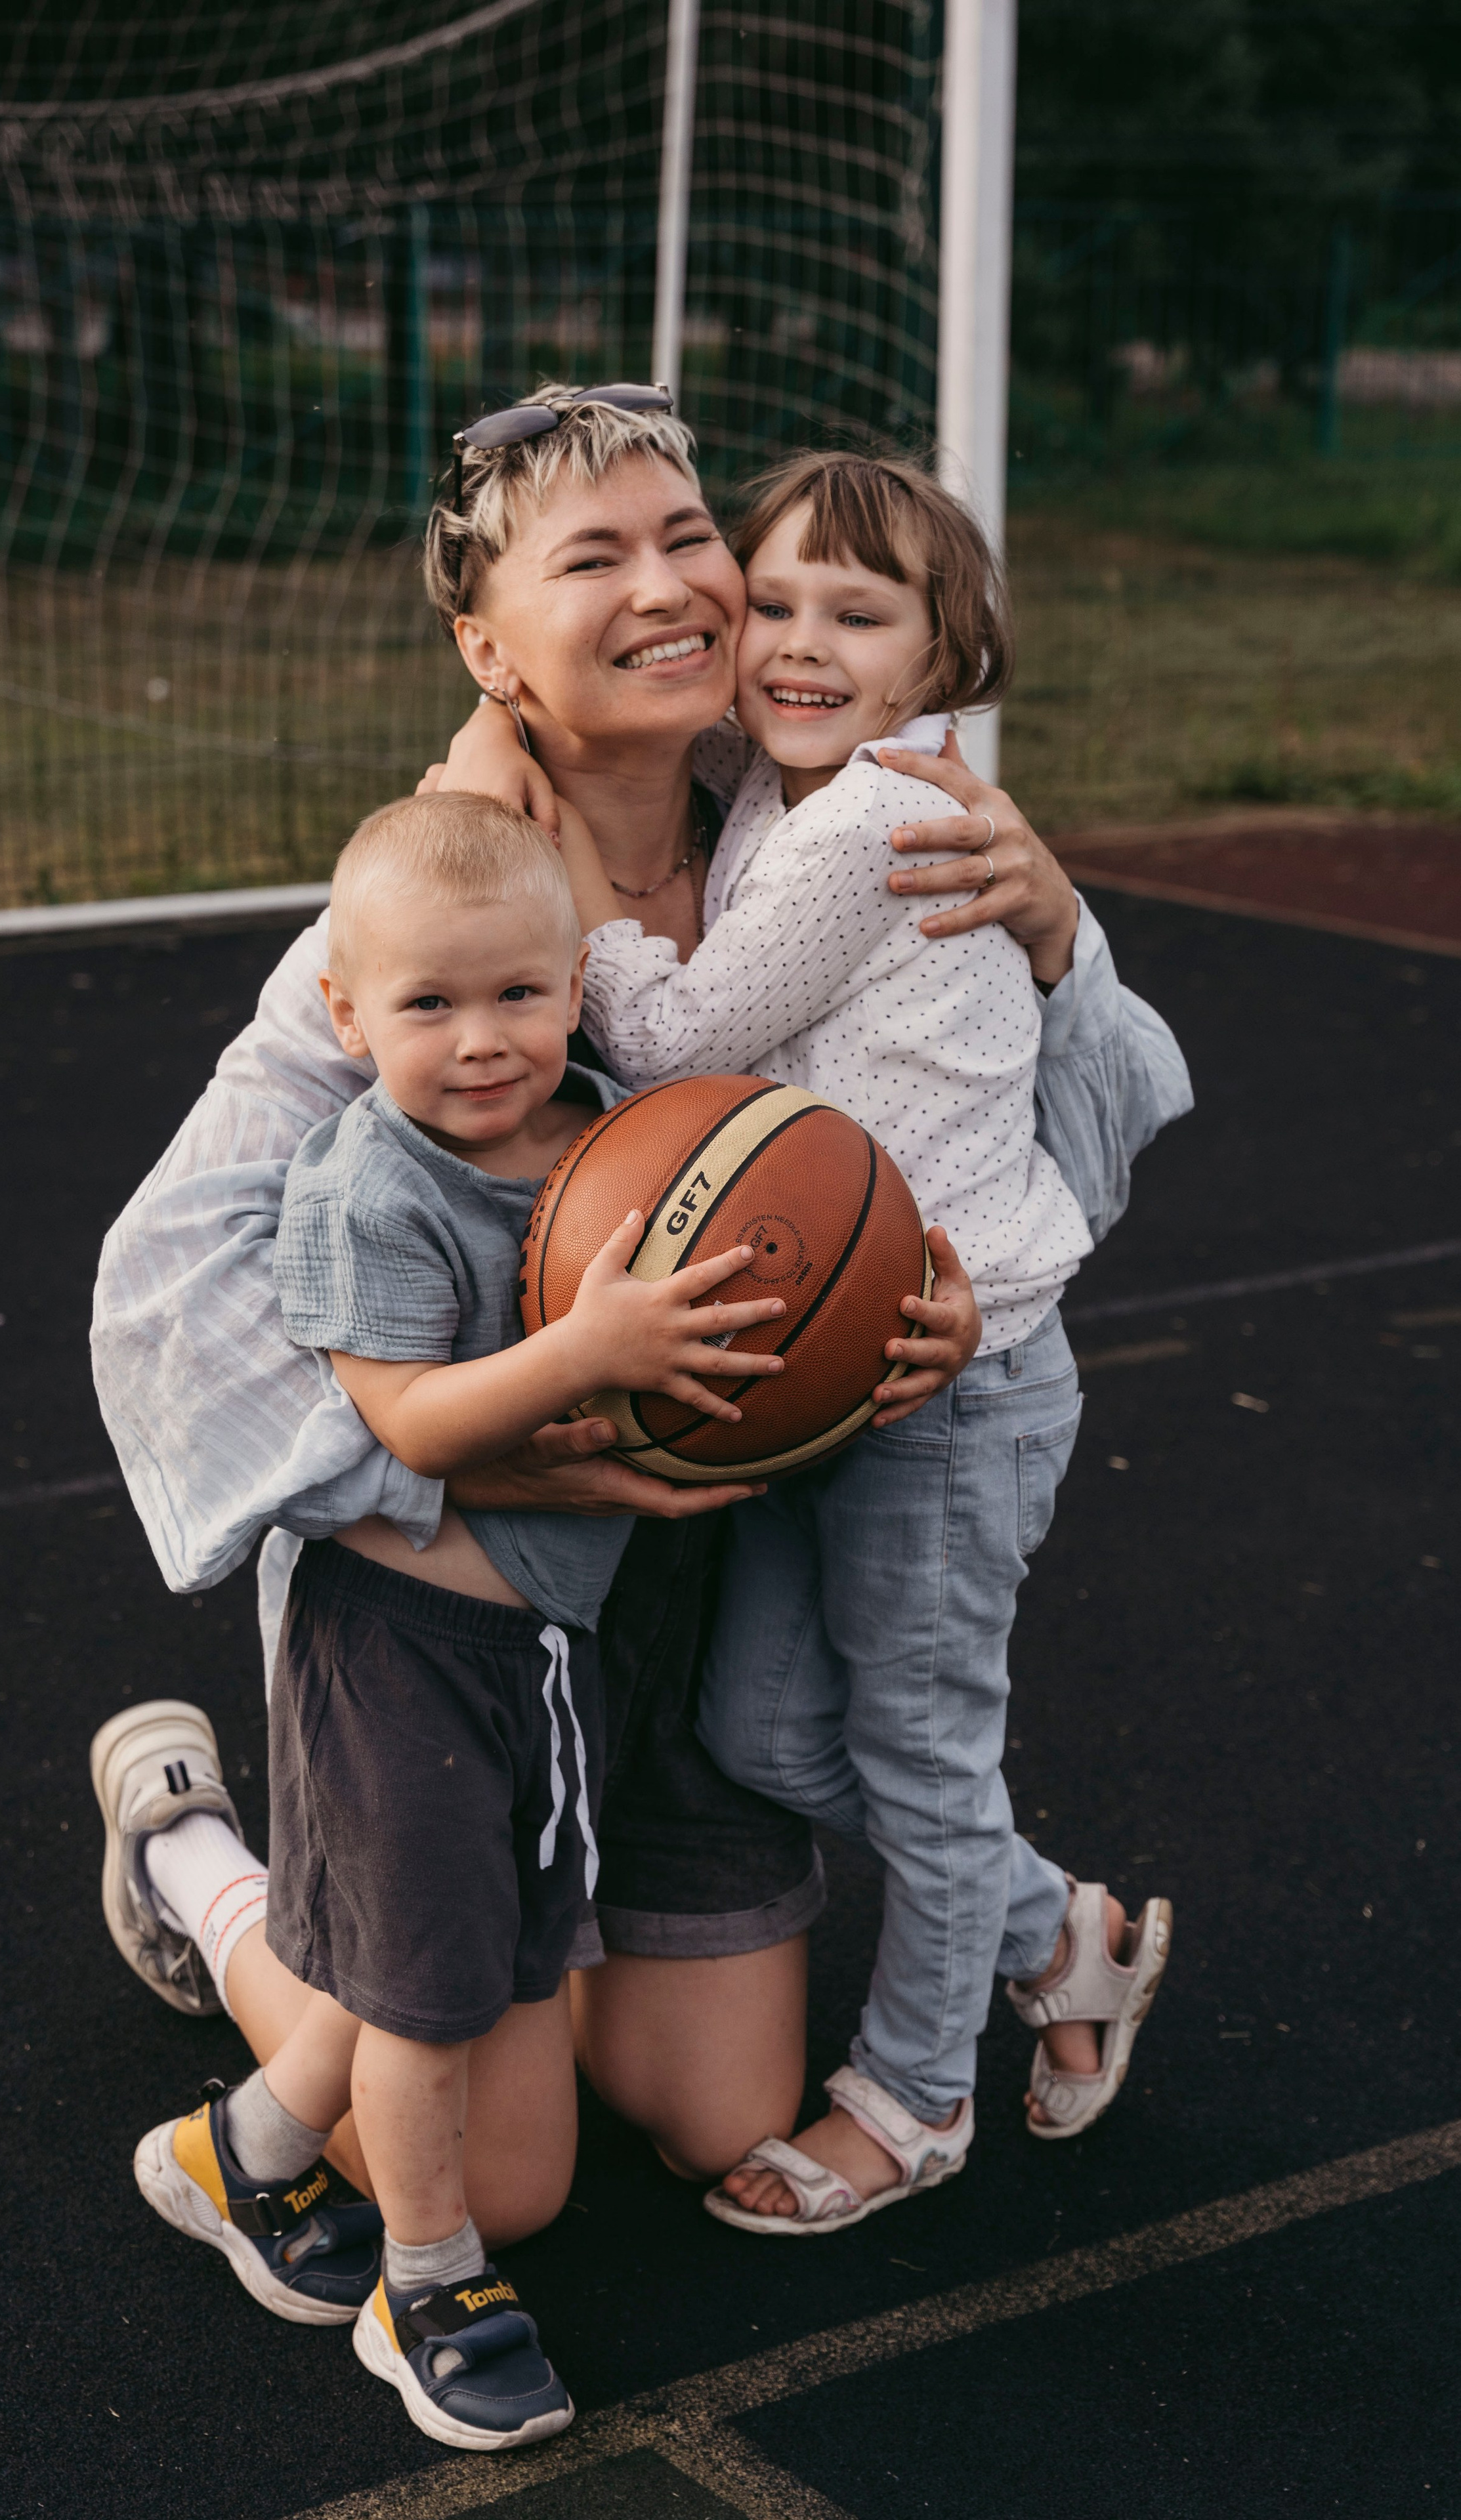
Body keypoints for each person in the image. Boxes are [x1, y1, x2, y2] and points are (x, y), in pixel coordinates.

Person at [89, 385, 1189, 2247]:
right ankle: (199, 1861)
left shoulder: (820, 815)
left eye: (693, 539)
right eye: (594, 556)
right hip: (469, 1600)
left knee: (712, 2111)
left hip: (715, 1579)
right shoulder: (434, 918)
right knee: (496, 2187)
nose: (678, 586)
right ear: (483, 646)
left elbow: (1083, 1115)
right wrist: (506, 1446)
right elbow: (163, 1297)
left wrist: (1061, 939)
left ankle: (522, 1957)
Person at [547, 450, 1173, 2233]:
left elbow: (672, 1042)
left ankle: (914, 2104)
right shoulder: (785, 777)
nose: (804, 642)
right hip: (846, 1376)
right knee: (762, 1729)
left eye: (860, 612)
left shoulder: (869, 822)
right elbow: (698, 748)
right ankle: (1059, 1932)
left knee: (917, 1750)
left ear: (938, 654)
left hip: (951, 1383)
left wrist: (560, 875)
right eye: (779, 601)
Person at [133, 792, 795, 2445]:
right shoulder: (367, 1182)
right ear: (347, 1017)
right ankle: (425, 2284)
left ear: (577, 987)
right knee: (428, 1991)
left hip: (545, 1661)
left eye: (514, 994)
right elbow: (412, 1427)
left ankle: (240, 2153)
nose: (478, 1040)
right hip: (397, 1651)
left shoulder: (615, 1134)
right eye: (425, 1006)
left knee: (451, 1945)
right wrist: (591, 1352)